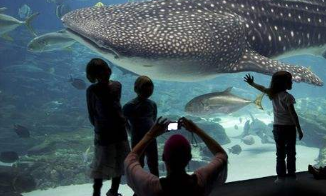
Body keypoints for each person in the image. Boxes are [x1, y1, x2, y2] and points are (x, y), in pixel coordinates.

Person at [125, 117, 228, 196]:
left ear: (164, 157)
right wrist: (196, 130)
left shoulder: (151, 186)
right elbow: (221, 155)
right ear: (189, 157)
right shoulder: (202, 180)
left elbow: (130, 160)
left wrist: (150, 135)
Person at [244, 71, 303, 182]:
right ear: (283, 83)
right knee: (291, 153)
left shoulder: (273, 93)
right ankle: (291, 175)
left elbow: (262, 88)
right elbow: (293, 114)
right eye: (290, 81)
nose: (292, 83)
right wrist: (299, 129)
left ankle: (280, 177)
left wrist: (252, 83)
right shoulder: (288, 97)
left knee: (280, 154)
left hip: (277, 128)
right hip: (289, 128)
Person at [86, 58, 130, 196]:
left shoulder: (117, 85)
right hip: (104, 133)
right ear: (94, 76)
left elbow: (117, 106)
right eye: (100, 72)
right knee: (100, 164)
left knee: (119, 162)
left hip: (118, 131)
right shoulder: (92, 90)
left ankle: (113, 191)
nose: (105, 73)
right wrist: (99, 128)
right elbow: (92, 113)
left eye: (105, 69)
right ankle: (97, 192)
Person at [123, 76, 159, 178]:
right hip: (137, 138)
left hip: (151, 138)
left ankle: (155, 186)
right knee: (138, 164)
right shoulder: (129, 106)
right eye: (146, 88)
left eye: (150, 88)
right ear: (137, 89)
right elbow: (125, 123)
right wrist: (131, 133)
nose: (149, 91)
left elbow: (153, 119)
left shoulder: (153, 104)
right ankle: (138, 191)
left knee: (153, 162)